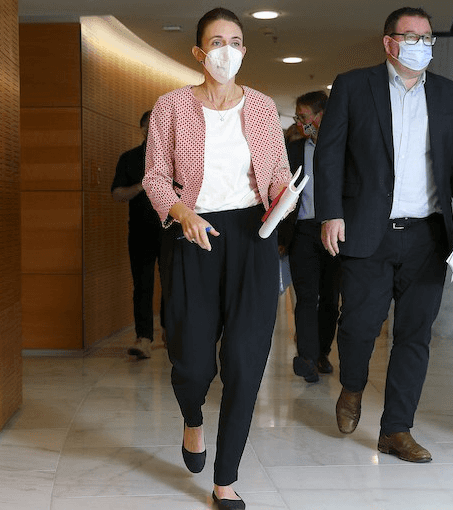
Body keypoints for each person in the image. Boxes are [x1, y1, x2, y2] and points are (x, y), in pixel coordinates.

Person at [315, 7, 453, 463]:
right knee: (358, 327)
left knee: (415, 334)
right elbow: (328, 156)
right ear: (389, 42)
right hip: (369, 232)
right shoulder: (353, 85)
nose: (421, 44)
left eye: (427, 37)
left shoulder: (452, 95)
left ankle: (395, 429)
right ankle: (351, 387)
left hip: (428, 235)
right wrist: (330, 213)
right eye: (411, 36)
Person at [142, 8, 290, 509]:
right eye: (217, 42)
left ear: (244, 49)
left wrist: (284, 198)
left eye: (236, 41)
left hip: (253, 237)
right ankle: (192, 419)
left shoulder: (265, 107)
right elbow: (156, 179)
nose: (228, 50)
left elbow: (275, 175)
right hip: (193, 234)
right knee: (190, 361)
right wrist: (182, 213)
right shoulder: (171, 106)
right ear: (199, 53)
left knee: (246, 363)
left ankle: (225, 480)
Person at [278, 91, 341, 383]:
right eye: (298, 118)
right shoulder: (293, 151)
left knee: (329, 298)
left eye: (305, 117)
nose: (302, 123)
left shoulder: (344, 147)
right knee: (305, 297)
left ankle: (321, 353)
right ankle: (306, 357)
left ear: (322, 115)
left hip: (336, 233)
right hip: (302, 231)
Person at [111, 110, 162, 359]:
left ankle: (172, 333)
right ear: (142, 129)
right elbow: (117, 193)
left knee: (173, 284)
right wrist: (142, 185)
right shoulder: (129, 158)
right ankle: (144, 338)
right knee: (142, 285)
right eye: (148, 126)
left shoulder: (176, 158)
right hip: (140, 231)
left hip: (171, 231)